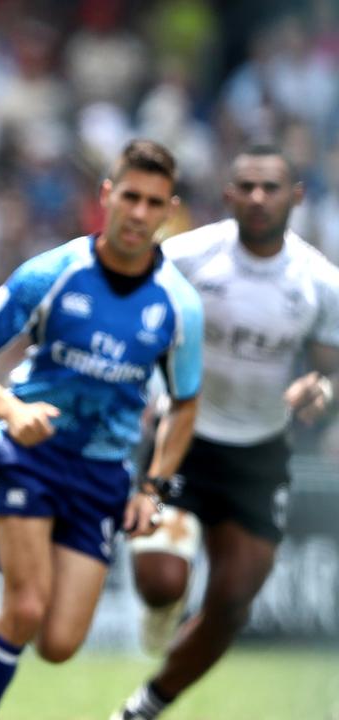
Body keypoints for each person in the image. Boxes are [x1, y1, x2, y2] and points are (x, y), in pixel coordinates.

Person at [0, 139, 204, 720]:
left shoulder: (180, 307)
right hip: (30, 456)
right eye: (129, 196)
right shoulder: (52, 274)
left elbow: (185, 405)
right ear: (107, 196)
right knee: (24, 611)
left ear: (169, 210)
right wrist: (10, 410)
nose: (138, 213)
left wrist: (153, 486)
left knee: (59, 645)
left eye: (153, 202)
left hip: (103, 474)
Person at [111, 146, 339, 720]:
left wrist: (321, 389)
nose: (259, 198)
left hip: (260, 454)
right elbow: (135, 319)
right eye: (247, 186)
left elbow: (328, 366)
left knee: (232, 604)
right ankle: (161, 607)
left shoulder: (320, 283)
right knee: (163, 583)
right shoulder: (186, 256)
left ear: (296, 196)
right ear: (229, 194)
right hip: (181, 436)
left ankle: (144, 708)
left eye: (271, 187)